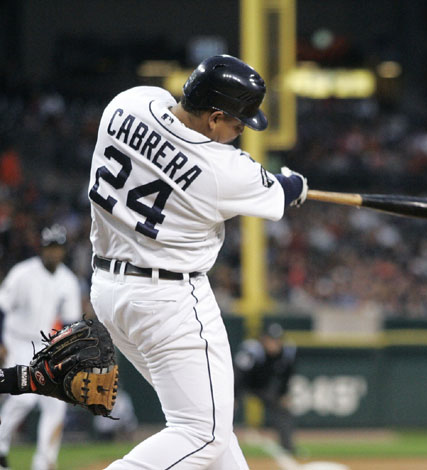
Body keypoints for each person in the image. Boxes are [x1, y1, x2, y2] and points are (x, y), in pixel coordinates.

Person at [87, 54, 307, 469]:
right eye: (238, 123)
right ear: (215, 117)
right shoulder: (223, 168)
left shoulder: (127, 103)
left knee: (212, 426)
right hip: (168, 300)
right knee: (203, 433)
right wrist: (296, 185)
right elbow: (282, 191)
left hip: (108, 292)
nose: (241, 132)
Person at [0, 224, 83, 470]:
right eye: (50, 247)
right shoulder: (22, 273)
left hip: (44, 346)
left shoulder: (68, 281)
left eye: (58, 247)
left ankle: (44, 462)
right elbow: (2, 308)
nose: (53, 252)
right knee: (24, 399)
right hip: (16, 340)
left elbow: (69, 323)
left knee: (55, 402)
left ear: (63, 250)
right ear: (42, 248)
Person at [234, 323, 297, 453]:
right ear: (263, 339)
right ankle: (220, 443)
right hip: (242, 385)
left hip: (262, 387)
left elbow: (287, 376)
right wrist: (233, 396)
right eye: (271, 339)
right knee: (227, 409)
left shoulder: (286, 352)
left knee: (282, 409)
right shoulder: (252, 351)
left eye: (277, 340)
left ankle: (288, 447)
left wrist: (283, 394)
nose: (274, 343)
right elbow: (238, 375)